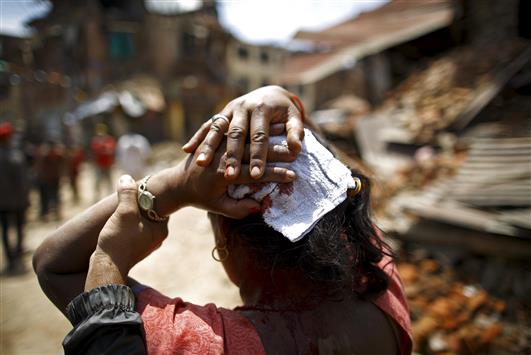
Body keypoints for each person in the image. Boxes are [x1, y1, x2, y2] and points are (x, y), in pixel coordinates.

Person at [33, 86, 411, 354]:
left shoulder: (197, 343)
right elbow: (340, 183)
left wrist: (174, 186)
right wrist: (284, 99)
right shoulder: (381, 287)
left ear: (228, 243)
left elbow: (55, 265)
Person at [0, 122, 30, 272]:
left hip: (2, 203)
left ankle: (10, 258)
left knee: (5, 230)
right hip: (17, 201)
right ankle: (17, 256)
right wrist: (27, 198)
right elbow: (22, 181)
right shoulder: (15, 156)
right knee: (18, 228)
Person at [34, 140, 64, 221]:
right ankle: (45, 213)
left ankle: (55, 212)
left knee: (54, 197)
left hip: (53, 179)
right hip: (46, 180)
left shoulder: (57, 155)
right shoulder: (44, 156)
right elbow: (39, 167)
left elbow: (62, 165)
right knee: (45, 198)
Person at [91, 123, 116, 200]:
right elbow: (95, 151)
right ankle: (97, 197)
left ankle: (111, 196)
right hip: (99, 164)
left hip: (108, 164)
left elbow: (111, 150)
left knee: (109, 181)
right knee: (98, 181)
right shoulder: (95, 140)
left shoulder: (109, 139)